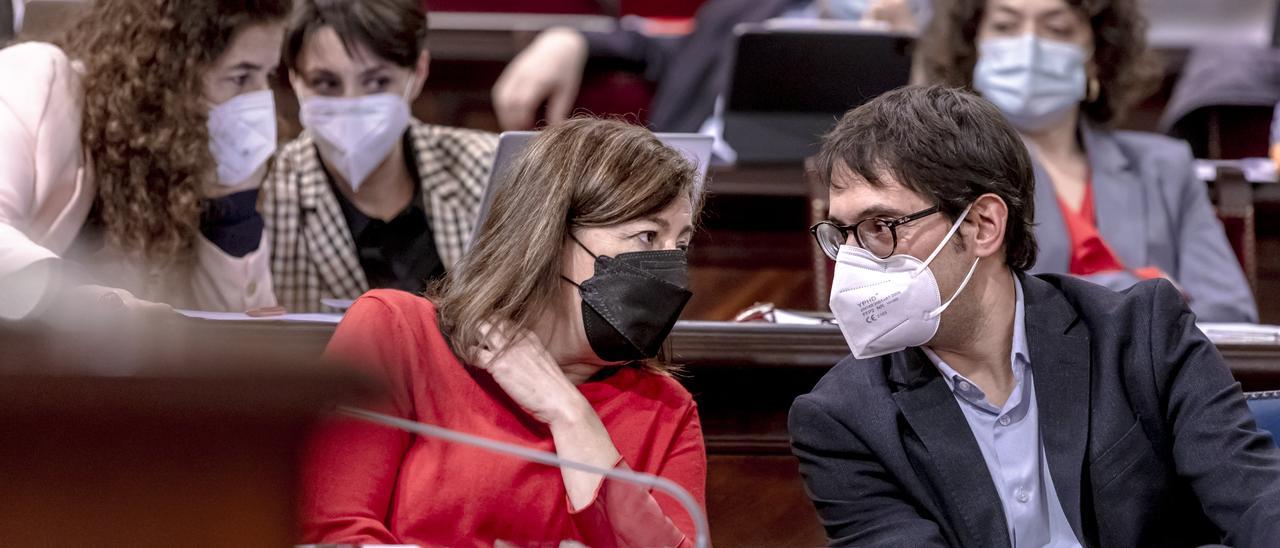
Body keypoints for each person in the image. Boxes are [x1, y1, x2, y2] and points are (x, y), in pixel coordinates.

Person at [790, 85, 1280, 547]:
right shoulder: (842, 419)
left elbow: (1257, 502)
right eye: (841, 233)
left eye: (880, 226)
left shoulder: (1143, 333)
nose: (853, 258)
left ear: (983, 225)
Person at [300, 118, 707, 546]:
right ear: (551, 237)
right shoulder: (397, 333)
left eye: (680, 245)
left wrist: (569, 413)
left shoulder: (667, 410)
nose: (670, 269)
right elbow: (329, 532)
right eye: (646, 236)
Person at [919, 0, 1256, 323]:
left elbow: (1231, 313)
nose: (1030, 46)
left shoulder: (1165, 166)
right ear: (972, 46)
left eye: (1058, 28)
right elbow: (969, 309)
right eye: (1005, 26)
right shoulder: (944, 171)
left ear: (1096, 55)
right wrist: (1142, 290)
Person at [0, 0, 287, 320]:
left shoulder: (171, 171)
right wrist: (86, 302)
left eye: (268, 76)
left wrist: (232, 209)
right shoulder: (39, 76)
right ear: (172, 71)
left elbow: (239, 339)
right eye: (241, 77)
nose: (261, 100)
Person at [261, 0, 496, 313]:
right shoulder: (266, 196)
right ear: (295, 80)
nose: (352, 103)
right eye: (326, 83)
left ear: (418, 73)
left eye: (376, 82)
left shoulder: (487, 169)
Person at [491, 0, 929, 136]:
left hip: (812, 211)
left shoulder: (951, 19)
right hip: (688, 196)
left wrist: (918, 55)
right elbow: (678, 52)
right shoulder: (749, 4)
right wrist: (571, 39)